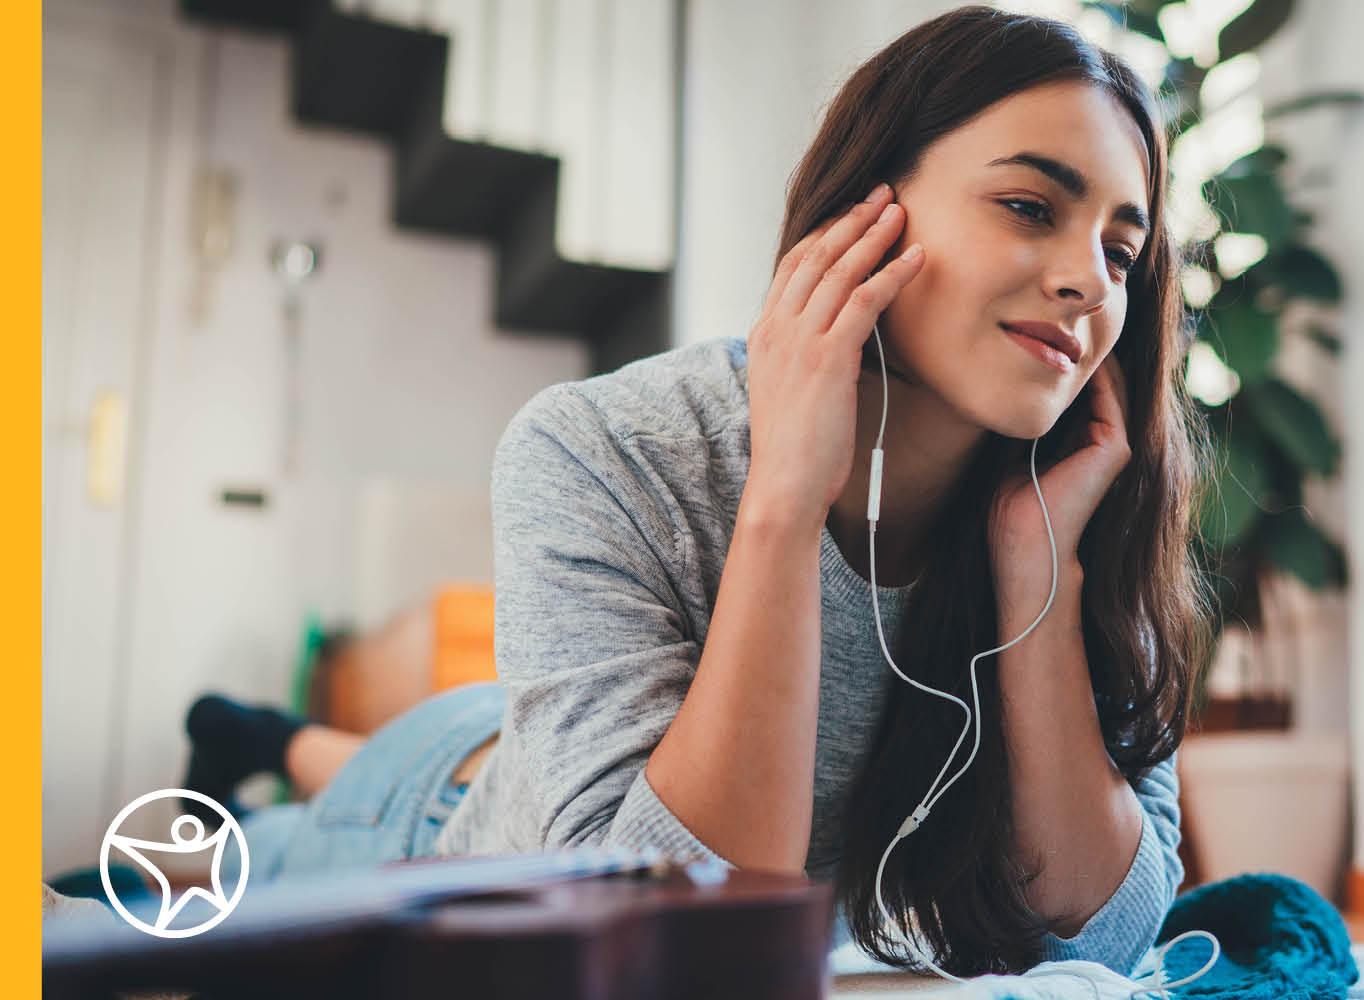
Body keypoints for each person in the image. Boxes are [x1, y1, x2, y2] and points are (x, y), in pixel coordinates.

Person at [183, 5, 1216, 979]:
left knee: (456, 746)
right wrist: (784, 500)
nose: (1090, 282)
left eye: (1120, 251)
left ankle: (265, 737)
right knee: (222, 865)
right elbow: (670, 935)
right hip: (432, 825)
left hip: (524, 742)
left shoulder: (1084, 511)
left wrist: (1039, 578)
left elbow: (1114, 940)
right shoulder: (604, 445)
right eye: (1029, 207)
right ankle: (257, 742)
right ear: (868, 212)